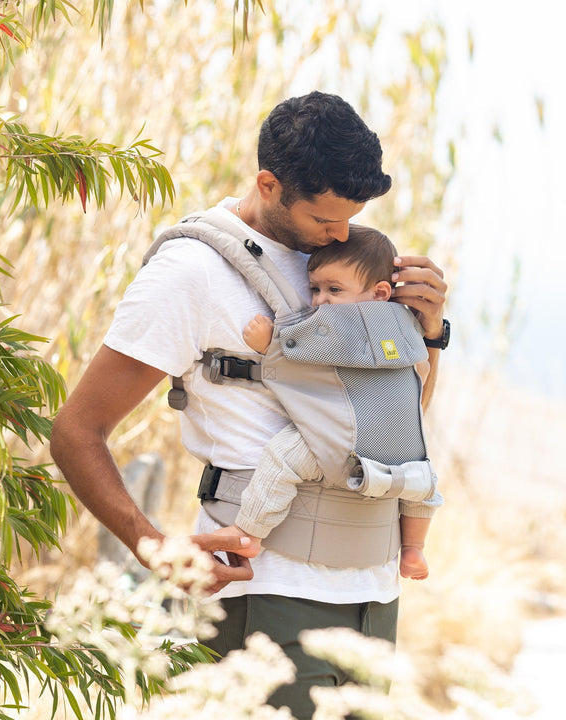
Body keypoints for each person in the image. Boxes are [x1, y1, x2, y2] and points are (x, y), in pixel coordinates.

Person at [50, 91, 448, 720]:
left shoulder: (351, 262)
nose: (341, 234)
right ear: (269, 185)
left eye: (351, 218)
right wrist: (157, 551)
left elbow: (397, 420)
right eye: (326, 220)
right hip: (270, 592)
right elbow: (77, 430)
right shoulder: (193, 272)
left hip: (374, 590)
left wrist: (427, 334)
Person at [215, 225, 442, 581]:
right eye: (315, 289)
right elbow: (421, 371)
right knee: (421, 478)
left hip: (337, 436)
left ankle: (249, 531)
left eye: (334, 289)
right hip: (394, 438)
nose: (320, 300)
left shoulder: (337, 325)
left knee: (281, 459)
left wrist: (268, 346)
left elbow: (301, 361)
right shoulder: (405, 323)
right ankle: (414, 549)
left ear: (380, 291)